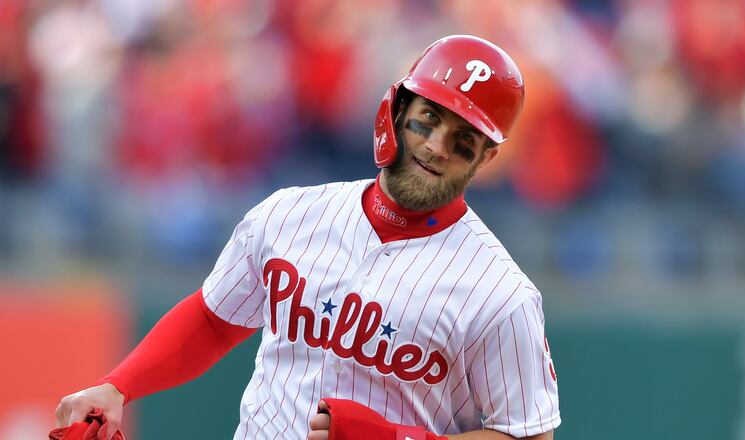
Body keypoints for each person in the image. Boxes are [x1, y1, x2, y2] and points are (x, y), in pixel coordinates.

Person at [55, 35, 560, 440]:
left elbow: (528, 436)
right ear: (399, 108)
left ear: (486, 158)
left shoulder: (500, 294)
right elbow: (213, 319)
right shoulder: (290, 213)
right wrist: (118, 386)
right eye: (429, 118)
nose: (434, 146)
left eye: (462, 140)